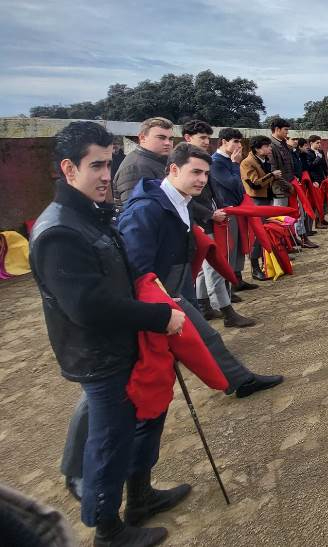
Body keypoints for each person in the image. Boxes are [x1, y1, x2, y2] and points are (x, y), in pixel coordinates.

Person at [31, 121, 186, 546]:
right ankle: (107, 527)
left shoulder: (89, 214)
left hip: (125, 345)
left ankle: (140, 496)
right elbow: (86, 306)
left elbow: (121, 268)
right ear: (68, 168)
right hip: (99, 355)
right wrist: (157, 318)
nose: (105, 175)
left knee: (145, 421)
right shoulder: (60, 229)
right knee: (110, 439)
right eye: (96, 165)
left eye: (109, 163)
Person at [118, 142, 283, 395]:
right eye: (195, 172)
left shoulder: (180, 200)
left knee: (205, 338)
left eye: (206, 173)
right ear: (173, 169)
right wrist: (159, 304)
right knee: (126, 369)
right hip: (159, 291)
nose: (202, 180)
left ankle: (239, 381)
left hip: (177, 282)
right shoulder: (146, 208)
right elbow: (136, 268)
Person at [182, 120, 256, 328]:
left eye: (208, 137)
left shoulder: (203, 160)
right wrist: (210, 214)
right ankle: (226, 312)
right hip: (202, 221)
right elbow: (185, 198)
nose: (207, 142)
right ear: (188, 138)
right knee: (212, 267)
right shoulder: (191, 163)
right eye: (202, 138)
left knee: (207, 268)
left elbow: (225, 190)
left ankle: (206, 306)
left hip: (212, 217)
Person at [210, 127, 259, 291]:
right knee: (230, 247)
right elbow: (232, 183)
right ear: (224, 142)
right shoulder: (216, 161)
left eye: (240, 141)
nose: (239, 145)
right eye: (235, 141)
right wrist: (234, 163)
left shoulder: (227, 161)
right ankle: (228, 284)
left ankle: (237, 279)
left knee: (239, 246)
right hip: (227, 209)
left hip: (238, 207)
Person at [111, 117, 174, 208]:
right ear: (142, 138)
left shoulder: (159, 160)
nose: (168, 143)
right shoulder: (135, 167)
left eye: (170, 138)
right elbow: (136, 213)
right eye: (161, 138)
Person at [240, 135, 278, 279]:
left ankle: (267, 262)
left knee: (267, 232)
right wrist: (272, 176)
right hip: (256, 201)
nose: (269, 148)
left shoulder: (265, 160)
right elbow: (254, 184)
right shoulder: (247, 163)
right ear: (257, 149)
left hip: (266, 199)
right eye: (266, 146)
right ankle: (255, 268)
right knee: (257, 234)